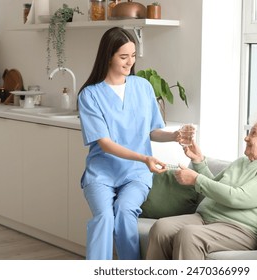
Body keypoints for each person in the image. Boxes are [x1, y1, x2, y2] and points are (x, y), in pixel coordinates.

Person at [77, 27, 181, 260]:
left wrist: (174, 136)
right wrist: (144, 158)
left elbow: (153, 131)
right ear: (109, 56)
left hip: (135, 175)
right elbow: (105, 143)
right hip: (101, 173)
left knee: (125, 213)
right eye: (123, 57)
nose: (130, 62)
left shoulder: (142, 87)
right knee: (104, 217)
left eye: (133, 56)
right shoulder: (90, 95)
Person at [146, 110, 257, 260]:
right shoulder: (241, 162)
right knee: (161, 228)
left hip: (240, 229)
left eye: (253, 133)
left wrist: (196, 179)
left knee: (189, 235)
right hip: (206, 218)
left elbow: (238, 197)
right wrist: (199, 161)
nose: (246, 137)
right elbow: (214, 187)